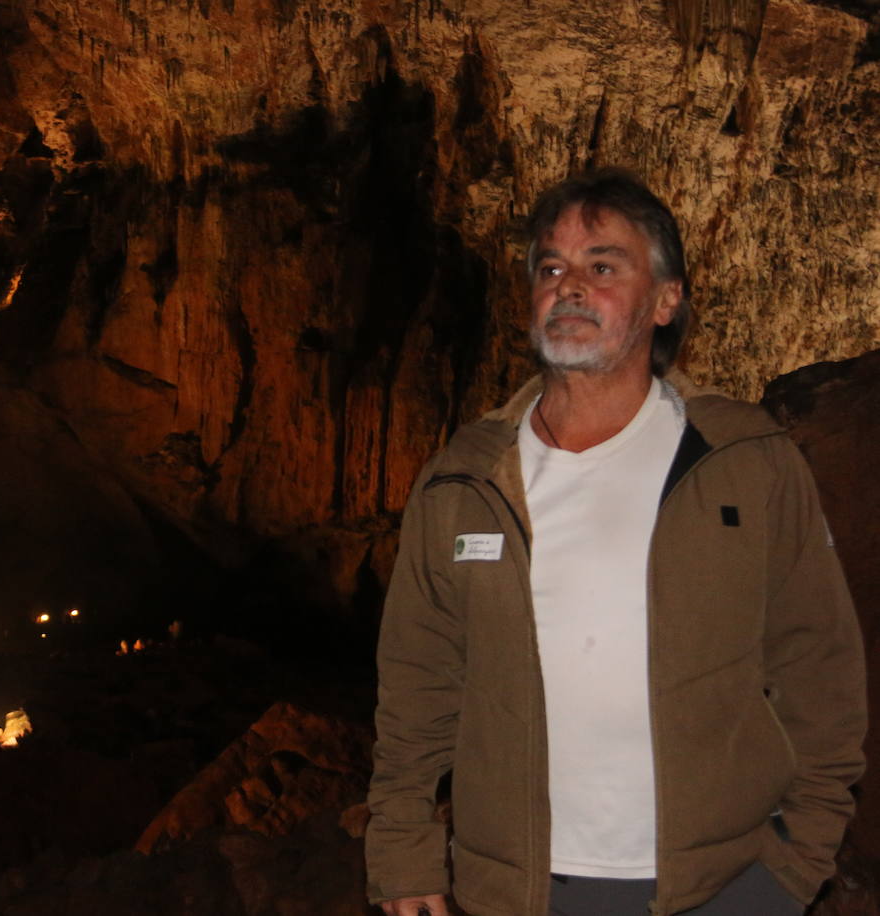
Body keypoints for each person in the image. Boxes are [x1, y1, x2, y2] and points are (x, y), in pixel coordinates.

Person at [365, 168, 866, 916]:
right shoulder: (463, 480)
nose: (569, 286)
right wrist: (405, 856)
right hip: (517, 889)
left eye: (603, 266)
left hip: (719, 887)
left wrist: (791, 868)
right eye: (551, 267)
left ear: (666, 300)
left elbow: (818, 666)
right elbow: (418, 682)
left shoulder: (745, 463)